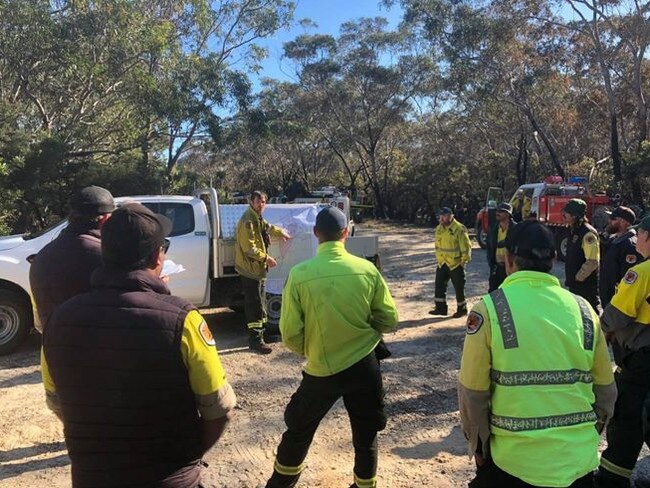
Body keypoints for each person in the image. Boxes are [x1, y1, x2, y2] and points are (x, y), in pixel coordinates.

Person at [41, 203, 236, 488]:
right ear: (158, 256)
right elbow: (219, 408)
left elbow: (57, 401)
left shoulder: (58, 320)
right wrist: (185, 457)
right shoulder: (184, 320)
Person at [459, 220, 616, 488]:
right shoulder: (584, 310)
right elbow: (606, 391)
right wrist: (588, 434)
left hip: (513, 465)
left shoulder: (490, 309)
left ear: (509, 259)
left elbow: (473, 394)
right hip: (578, 465)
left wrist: (479, 448)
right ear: (554, 258)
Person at [265, 206, 399, 488]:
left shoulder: (300, 274)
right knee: (366, 433)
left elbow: (289, 333)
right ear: (346, 233)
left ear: (316, 234)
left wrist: (310, 349)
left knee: (299, 429)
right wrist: (366, 330)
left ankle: (280, 484)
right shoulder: (367, 270)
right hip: (365, 366)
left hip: (321, 368)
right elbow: (389, 319)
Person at [595, 215, 650, 488]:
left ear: (648, 237)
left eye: (639, 233)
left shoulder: (640, 273)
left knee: (626, 418)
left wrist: (600, 331)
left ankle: (611, 479)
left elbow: (616, 316)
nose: (636, 238)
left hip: (641, 361)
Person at [29, 185, 115, 329]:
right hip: (96, 348)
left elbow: (38, 323)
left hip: (51, 347)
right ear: (105, 219)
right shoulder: (106, 258)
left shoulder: (41, 257)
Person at [235, 190, 291, 354]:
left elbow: (268, 227)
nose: (262, 205)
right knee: (255, 305)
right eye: (259, 201)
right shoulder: (248, 221)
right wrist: (266, 258)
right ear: (251, 202)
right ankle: (255, 341)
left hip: (257, 269)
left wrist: (281, 232)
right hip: (250, 270)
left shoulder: (257, 218)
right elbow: (249, 248)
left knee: (260, 304)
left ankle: (262, 337)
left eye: (264, 202)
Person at [430, 207, 472, 317]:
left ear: (450, 216)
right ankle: (440, 308)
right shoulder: (439, 228)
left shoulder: (459, 229)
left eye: (443, 216)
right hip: (442, 262)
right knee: (439, 286)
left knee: (459, 287)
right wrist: (438, 259)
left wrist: (464, 261)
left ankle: (462, 309)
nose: (441, 218)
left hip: (455, 263)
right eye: (440, 216)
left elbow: (466, 247)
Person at [599, 206, 641, 307]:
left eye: (613, 219)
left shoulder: (630, 245)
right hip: (607, 298)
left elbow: (628, 279)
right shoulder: (613, 240)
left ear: (623, 222)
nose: (609, 221)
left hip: (618, 302)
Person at [563, 198, 601, 311]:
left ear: (574, 216)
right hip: (575, 285)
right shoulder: (573, 230)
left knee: (589, 313)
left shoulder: (587, 233)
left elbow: (592, 261)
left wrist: (578, 278)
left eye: (566, 212)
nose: (563, 214)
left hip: (585, 286)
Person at [486, 203, 516, 292]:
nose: (497, 213)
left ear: (508, 214)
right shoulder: (493, 229)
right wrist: (491, 263)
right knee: (494, 293)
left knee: (510, 293)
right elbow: (489, 247)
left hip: (511, 269)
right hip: (496, 267)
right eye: (497, 211)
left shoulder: (516, 229)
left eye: (501, 211)